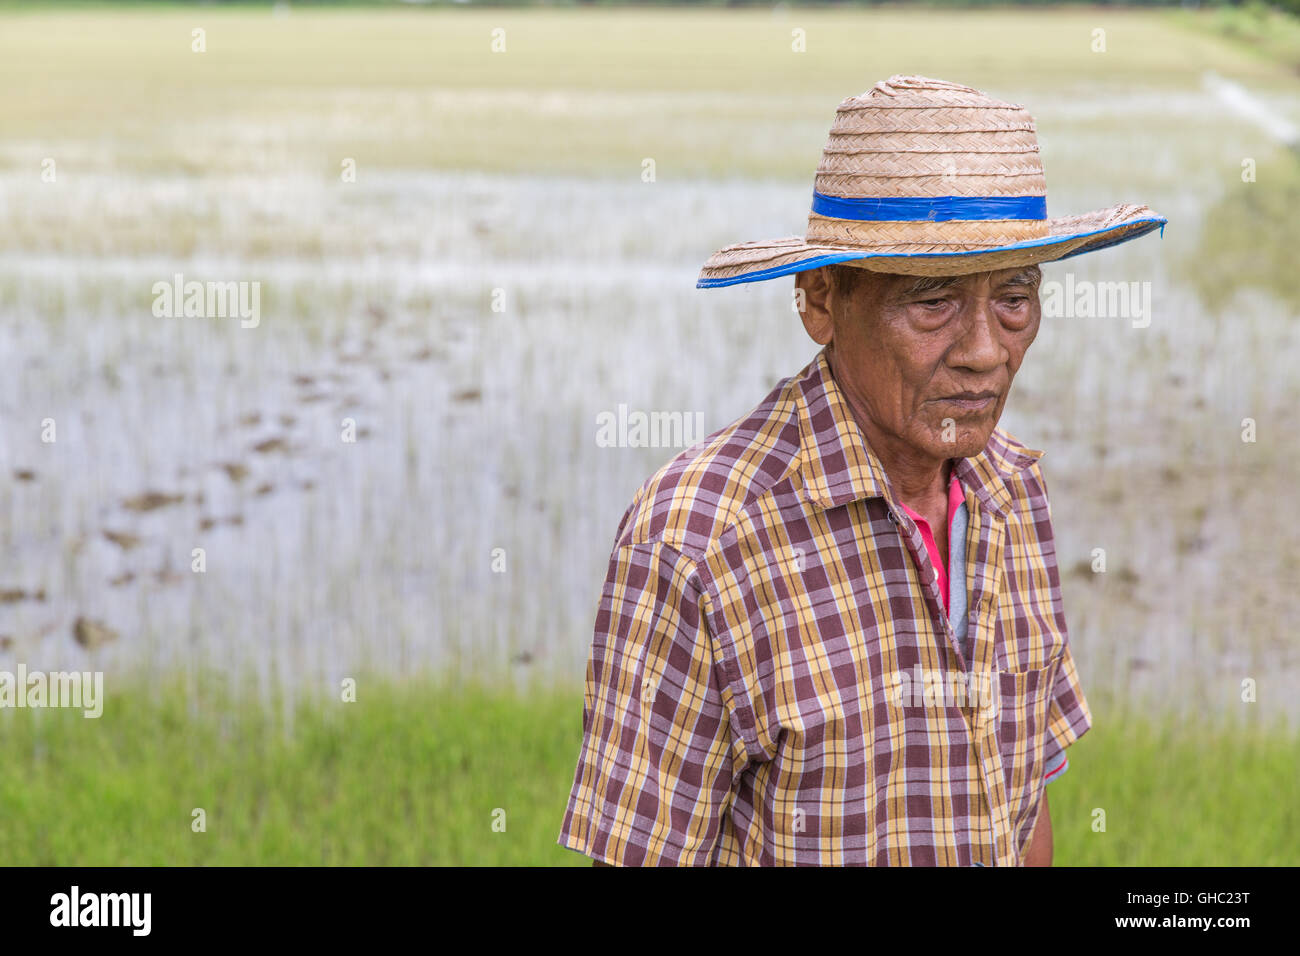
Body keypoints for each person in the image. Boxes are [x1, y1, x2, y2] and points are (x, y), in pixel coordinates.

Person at [558, 75, 1166, 866]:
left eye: (1015, 298)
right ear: (820, 300)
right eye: (933, 303)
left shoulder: (1012, 490)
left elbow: (1022, 802)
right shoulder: (698, 543)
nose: (986, 350)